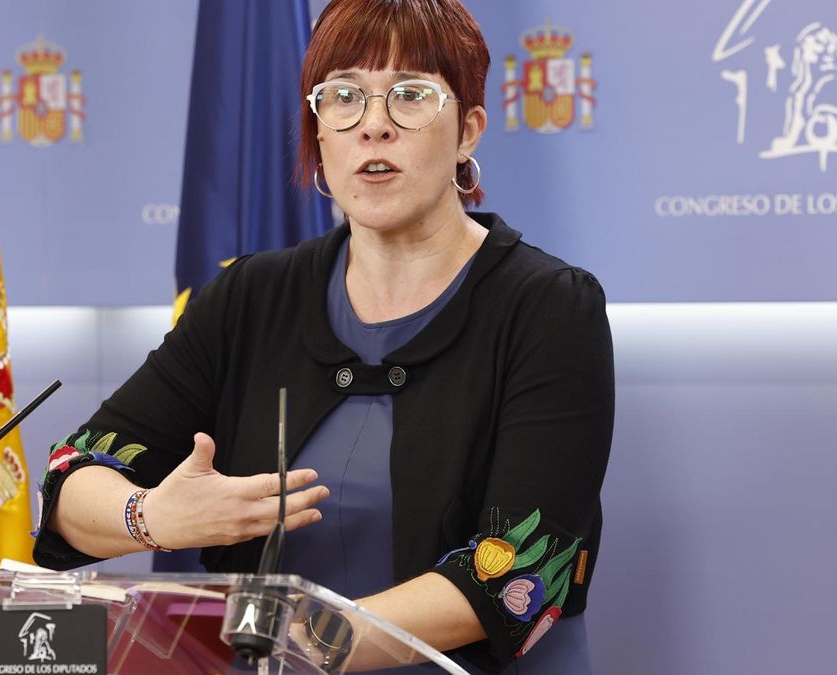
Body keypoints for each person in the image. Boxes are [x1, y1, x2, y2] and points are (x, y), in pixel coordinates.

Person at [32, 1, 613, 672]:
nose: (373, 125)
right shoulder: (250, 296)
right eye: (343, 97)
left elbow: (519, 571)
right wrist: (152, 517)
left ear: (467, 131)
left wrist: (301, 639)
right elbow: (70, 479)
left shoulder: (547, 307)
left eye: (411, 96)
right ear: (319, 129)